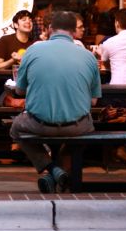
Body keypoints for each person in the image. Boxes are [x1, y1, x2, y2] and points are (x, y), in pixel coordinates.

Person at [9, 11, 102, 193]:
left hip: (39, 123)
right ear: (74, 32)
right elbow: (94, 100)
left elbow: (19, 90)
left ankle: (52, 170)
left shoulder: (33, 50)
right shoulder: (89, 57)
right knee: (87, 130)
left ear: (50, 29)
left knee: (15, 128)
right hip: (77, 126)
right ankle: (61, 171)